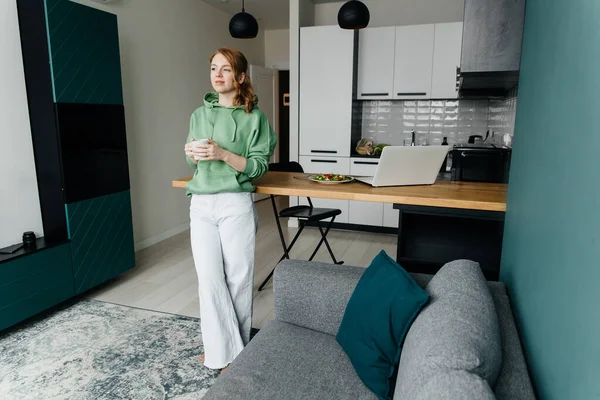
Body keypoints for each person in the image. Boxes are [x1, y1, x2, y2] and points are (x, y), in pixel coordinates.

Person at [183, 47, 277, 371]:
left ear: (240, 76)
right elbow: (191, 160)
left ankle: (230, 350)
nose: (217, 74)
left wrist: (222, 153)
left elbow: (258, 167)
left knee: (238, 279)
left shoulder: (256, 118)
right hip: (202, 203)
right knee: (209, 279)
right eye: (213, 68)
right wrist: (192, 153)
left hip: (235, 203)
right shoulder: (199, 114)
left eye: (225, 69)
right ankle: (224, 348)